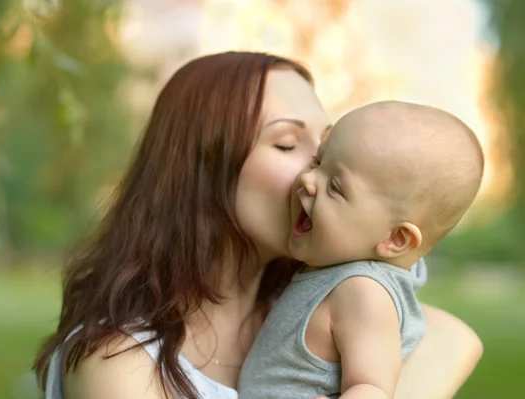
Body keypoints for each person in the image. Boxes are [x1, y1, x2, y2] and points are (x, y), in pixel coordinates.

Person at [33, 52, 483, 399]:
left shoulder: (316, 304)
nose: (314, 167)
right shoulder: (119, 362)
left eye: (327, 145)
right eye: (287, 144)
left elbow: (456, 339)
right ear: (202, 171)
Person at [238, 101, 484, 399]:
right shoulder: (340, 267)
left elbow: (371, 388)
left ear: (396, 240)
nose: (307, 178)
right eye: (318, 162)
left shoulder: (363, 291)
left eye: (336, 187)